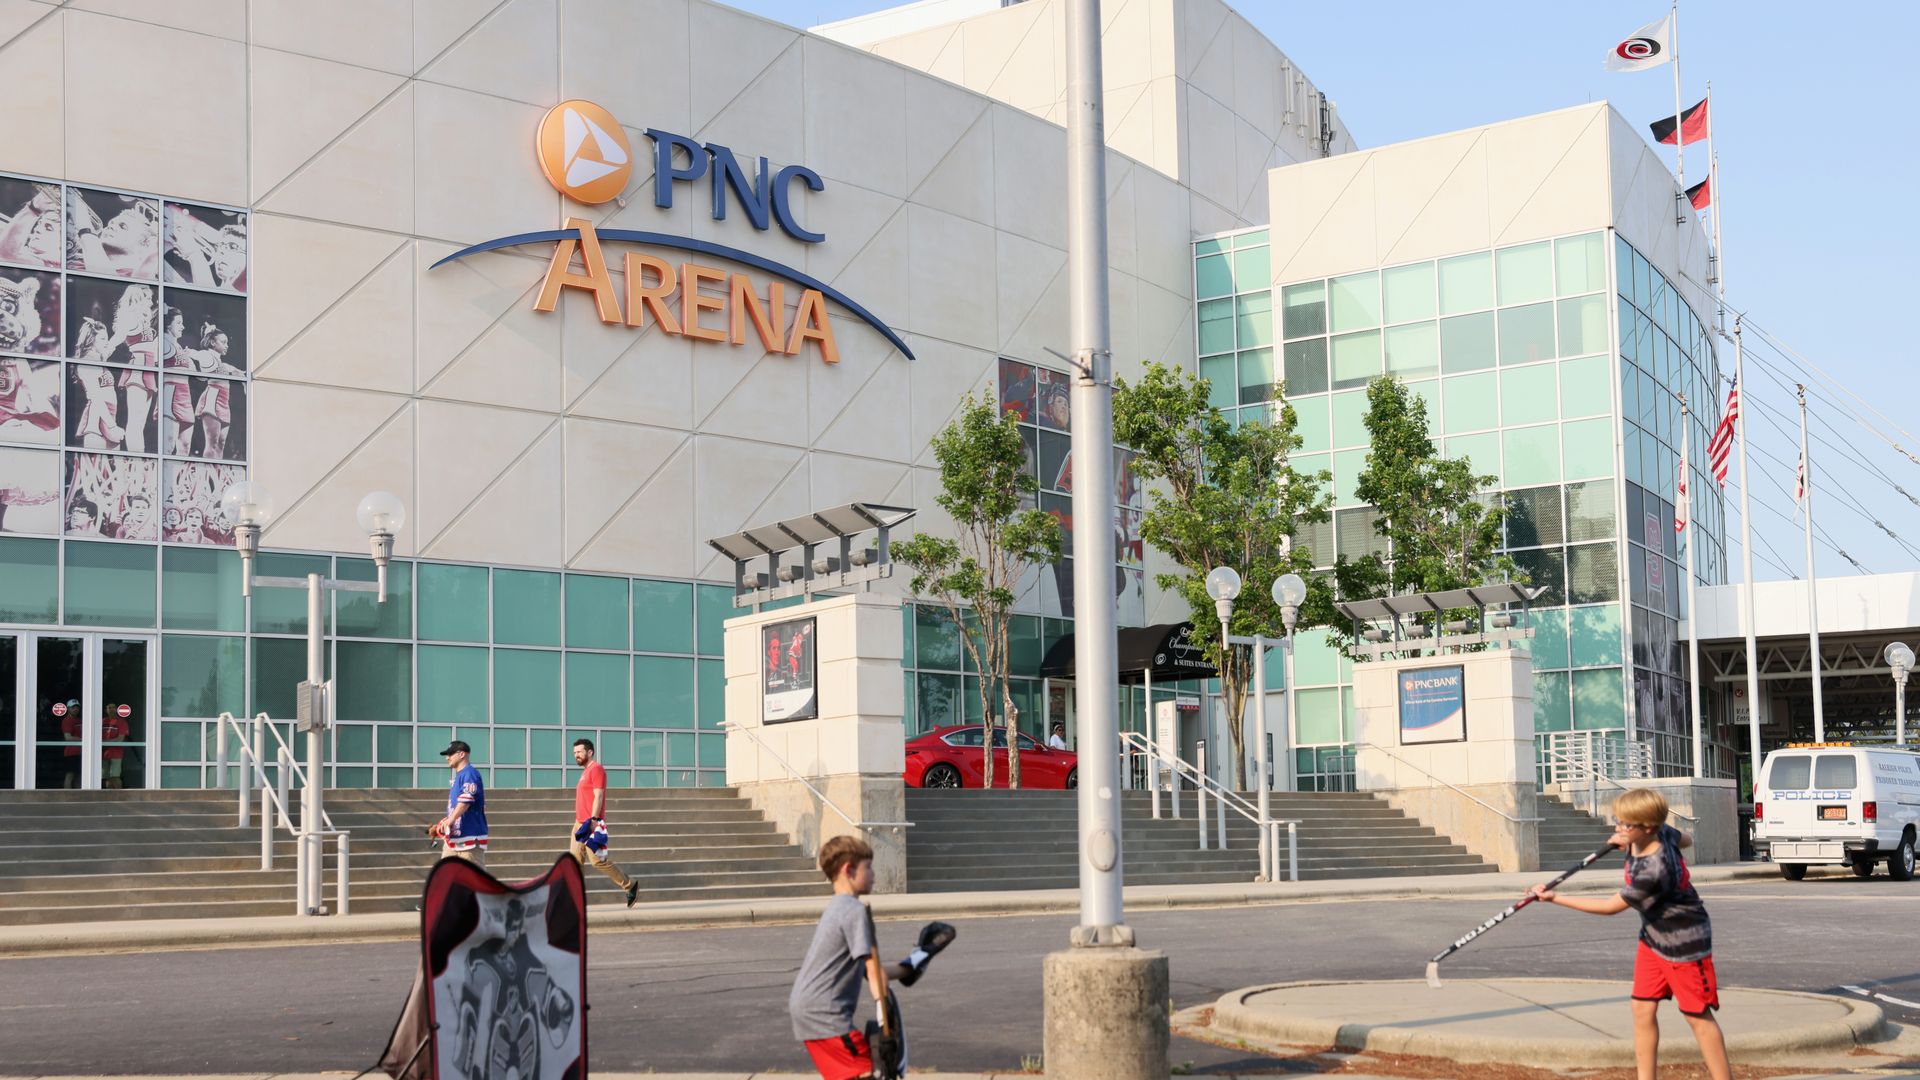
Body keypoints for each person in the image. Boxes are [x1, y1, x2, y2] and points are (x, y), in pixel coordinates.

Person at [1528, 788, 1729, 1080]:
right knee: (1642, 1008)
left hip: (1685, 943)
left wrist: (1554, 898)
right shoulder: (1662, 833)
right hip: (1653, 939)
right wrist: (1629, 841)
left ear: (1647, 827)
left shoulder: (1654, 871)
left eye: (1626, 824)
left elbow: (1610, 907)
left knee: (1697, 1016)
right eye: (1618, 821)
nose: (1619, 828)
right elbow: (1687, 839)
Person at [790, 835, 892, 1080]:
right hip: (826, 1014)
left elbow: (871, 969)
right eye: (868, 867)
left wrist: (915, 963)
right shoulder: (854, 910)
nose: (873, 874)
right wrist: (886, 1025)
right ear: (849, 869)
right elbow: (874, 972)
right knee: (872, 1073)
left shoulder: (838, 906)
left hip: (809, 1009)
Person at [569, 738, 639, 907]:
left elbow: (598, 796)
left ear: (590, 752)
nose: (576, 755)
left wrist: (593, 820)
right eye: (574, 753)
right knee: (574, 862)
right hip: (579, 824)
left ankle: (630, 885)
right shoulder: (585, 771)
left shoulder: (597, 769)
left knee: (597, 861)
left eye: (579, 752)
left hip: (590, 824)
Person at [430, 740, 489, 866]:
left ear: (461, 754)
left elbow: (466, 801)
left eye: (450, 754)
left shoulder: (470, 773)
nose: (447, 758)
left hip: (469, 838)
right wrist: (444, 823)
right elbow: (457, 806)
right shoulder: (460, 776)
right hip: (454, 838)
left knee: (473, 881)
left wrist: (450, 820)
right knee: (446, 877)